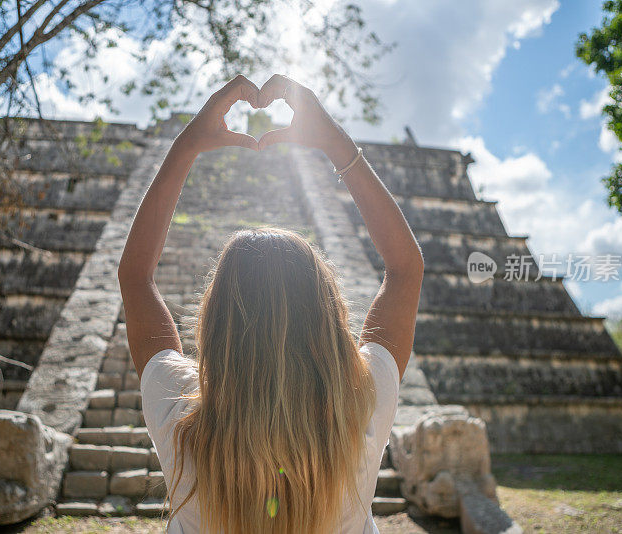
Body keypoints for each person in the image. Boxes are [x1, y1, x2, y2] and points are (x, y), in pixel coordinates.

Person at [118, 74, 424, 534]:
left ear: (216, 322)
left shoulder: (178, 411)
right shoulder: (364, 402)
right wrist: (336, 145)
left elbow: (134, 277)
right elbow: (406, 270)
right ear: (326, 312)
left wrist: (185, 149)